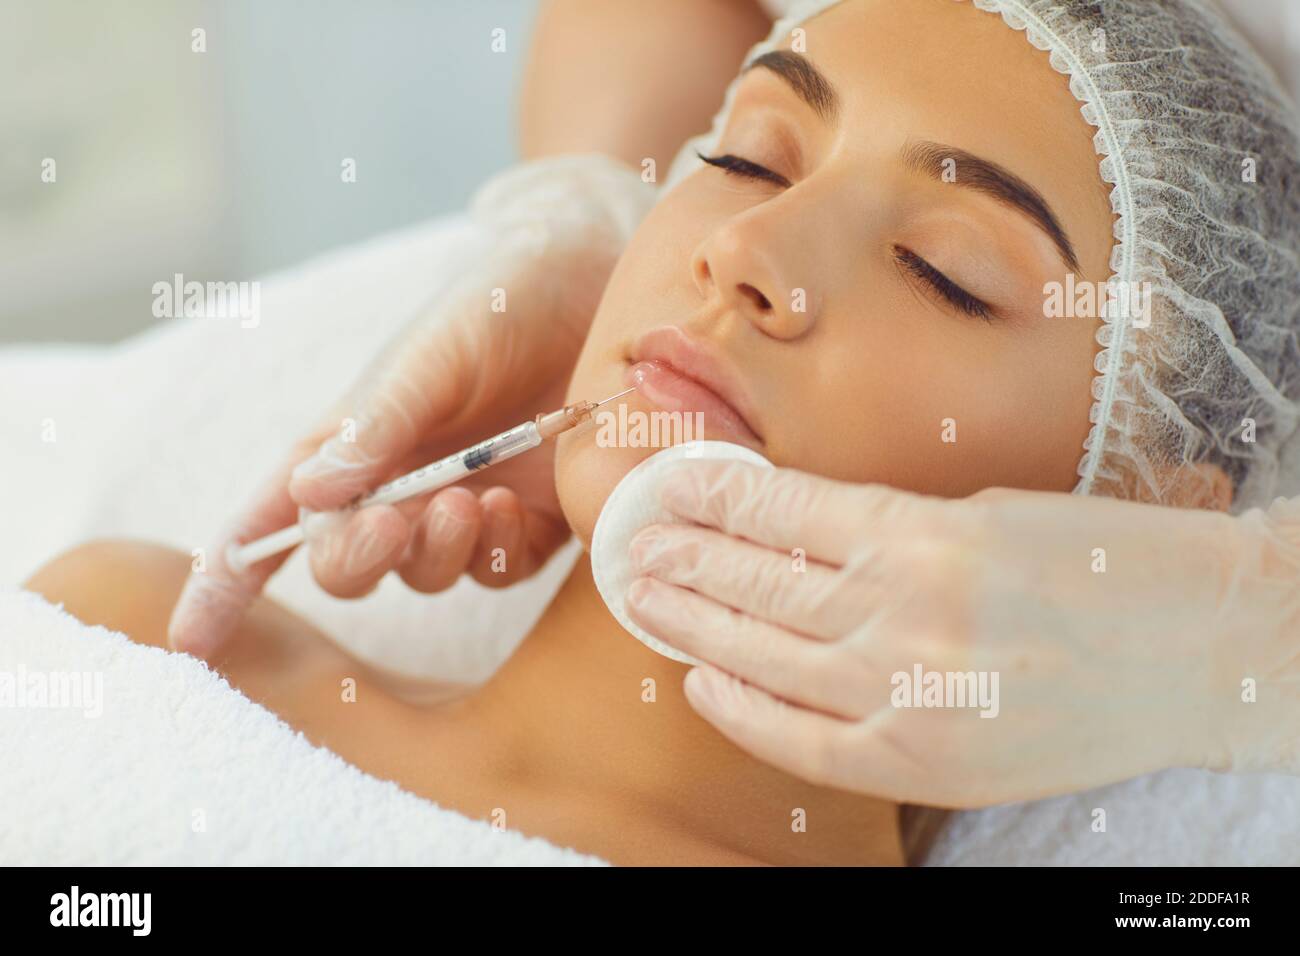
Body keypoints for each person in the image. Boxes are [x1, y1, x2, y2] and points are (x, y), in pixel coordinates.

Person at [30, 0, 1300, 864]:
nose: (743, 249)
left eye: (943, 269)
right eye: (746, 156)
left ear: (1138, 529)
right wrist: (575, 212)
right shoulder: (140, 639)